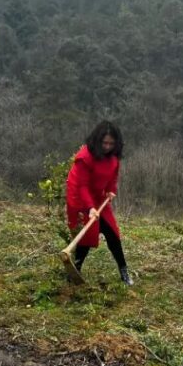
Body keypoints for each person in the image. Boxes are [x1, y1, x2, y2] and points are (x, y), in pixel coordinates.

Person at [65, 120, 132, 285]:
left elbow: (113, 173)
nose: (108, 146)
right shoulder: (84, 157)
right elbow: (82, 186)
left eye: (111, 143)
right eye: (105, 143)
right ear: (97, 140)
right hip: (79, 198)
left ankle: (124, 272)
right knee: (87, 235)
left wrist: (110, 189)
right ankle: (75, 271)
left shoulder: (113, 155)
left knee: (112, 233)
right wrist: (89, 208)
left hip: (98, 197)